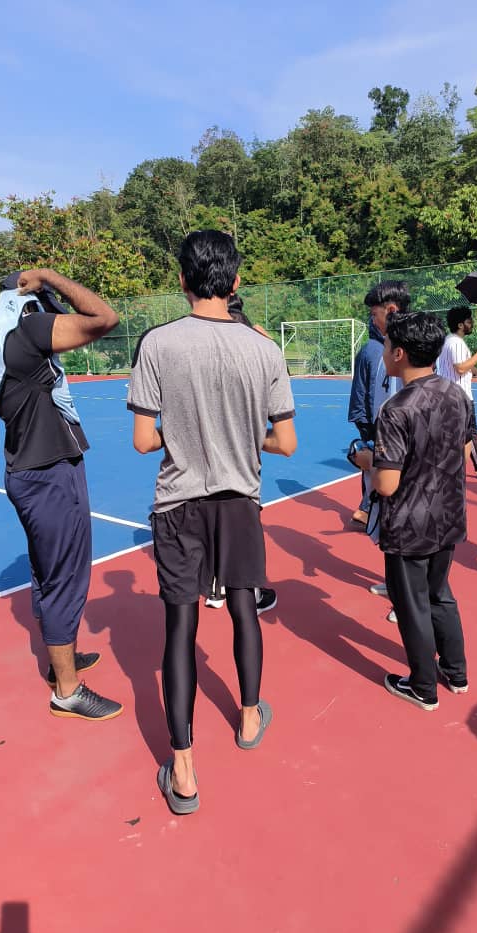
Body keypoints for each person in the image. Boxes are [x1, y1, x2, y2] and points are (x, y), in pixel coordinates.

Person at [127, 229, 297, 814]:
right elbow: (286, 442)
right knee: (245, 608)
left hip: (179, 504)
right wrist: (246, 438)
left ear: (182, 280)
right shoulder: (265, 349)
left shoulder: (157, 343)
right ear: (236, 280)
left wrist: (183, 434)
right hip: (239, 500)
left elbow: (143, 440)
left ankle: (183, 770)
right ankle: (249, 717)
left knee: (180, 628)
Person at [0, 269, 122, 720]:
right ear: (27, 297)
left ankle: (61, 661)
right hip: (48, 476)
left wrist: (44, 294)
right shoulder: (28, 333)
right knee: (65, 578)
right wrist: (50, 277)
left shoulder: (5, 339)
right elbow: (103, 318)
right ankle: (67, 691)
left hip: (30, 472)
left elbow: (67, 321)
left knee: (48, 574)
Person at [354, 312, 472, 711]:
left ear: (399, 353)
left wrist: (367, 461)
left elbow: (386, 484)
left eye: (387, 344)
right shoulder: (456, 394)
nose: (383, 351)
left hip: (409, 523)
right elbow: (462, 452)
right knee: (440, 594)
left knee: (412, 604)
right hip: (448, 514)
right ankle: (455, 672)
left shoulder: (396, 408)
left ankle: (423, 686)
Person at [204, 292, 277, 615]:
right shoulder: (249, 340)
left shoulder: (198, 338)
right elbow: (275, 389)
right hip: (242, 450)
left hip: (206, 446)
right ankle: (251, 593)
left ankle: (214, 587)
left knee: (209, 514)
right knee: (243, 520)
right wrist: (267, 344)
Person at [360, 280, 411, 613]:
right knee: (389, 522)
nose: (372, 319)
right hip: (387, 445)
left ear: (391, 310)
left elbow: (401, 408)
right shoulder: (385, 348)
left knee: (402, 524)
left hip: (400, 452)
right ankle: (396, 585)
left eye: (375, 313)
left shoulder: (405, 350)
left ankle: (406, 599)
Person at [436, 306, 477, 479]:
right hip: (459, 397)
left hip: (451, 395)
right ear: (460, 325)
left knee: (460, 435)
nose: (472, 323)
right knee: (468, 434)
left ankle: (470, 466)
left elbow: (467, 366)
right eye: (469, 320)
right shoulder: (456, 343)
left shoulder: (450, 341)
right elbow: (460, 368)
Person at [347, 313, 385, 524]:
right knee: (377, 462)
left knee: (370, 462)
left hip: (363, 413)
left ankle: (368, 509)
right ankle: (366, 509)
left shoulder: (369, 348)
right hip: (370, 415)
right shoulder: (377, 351)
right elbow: (374, 389)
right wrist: (378, 419)